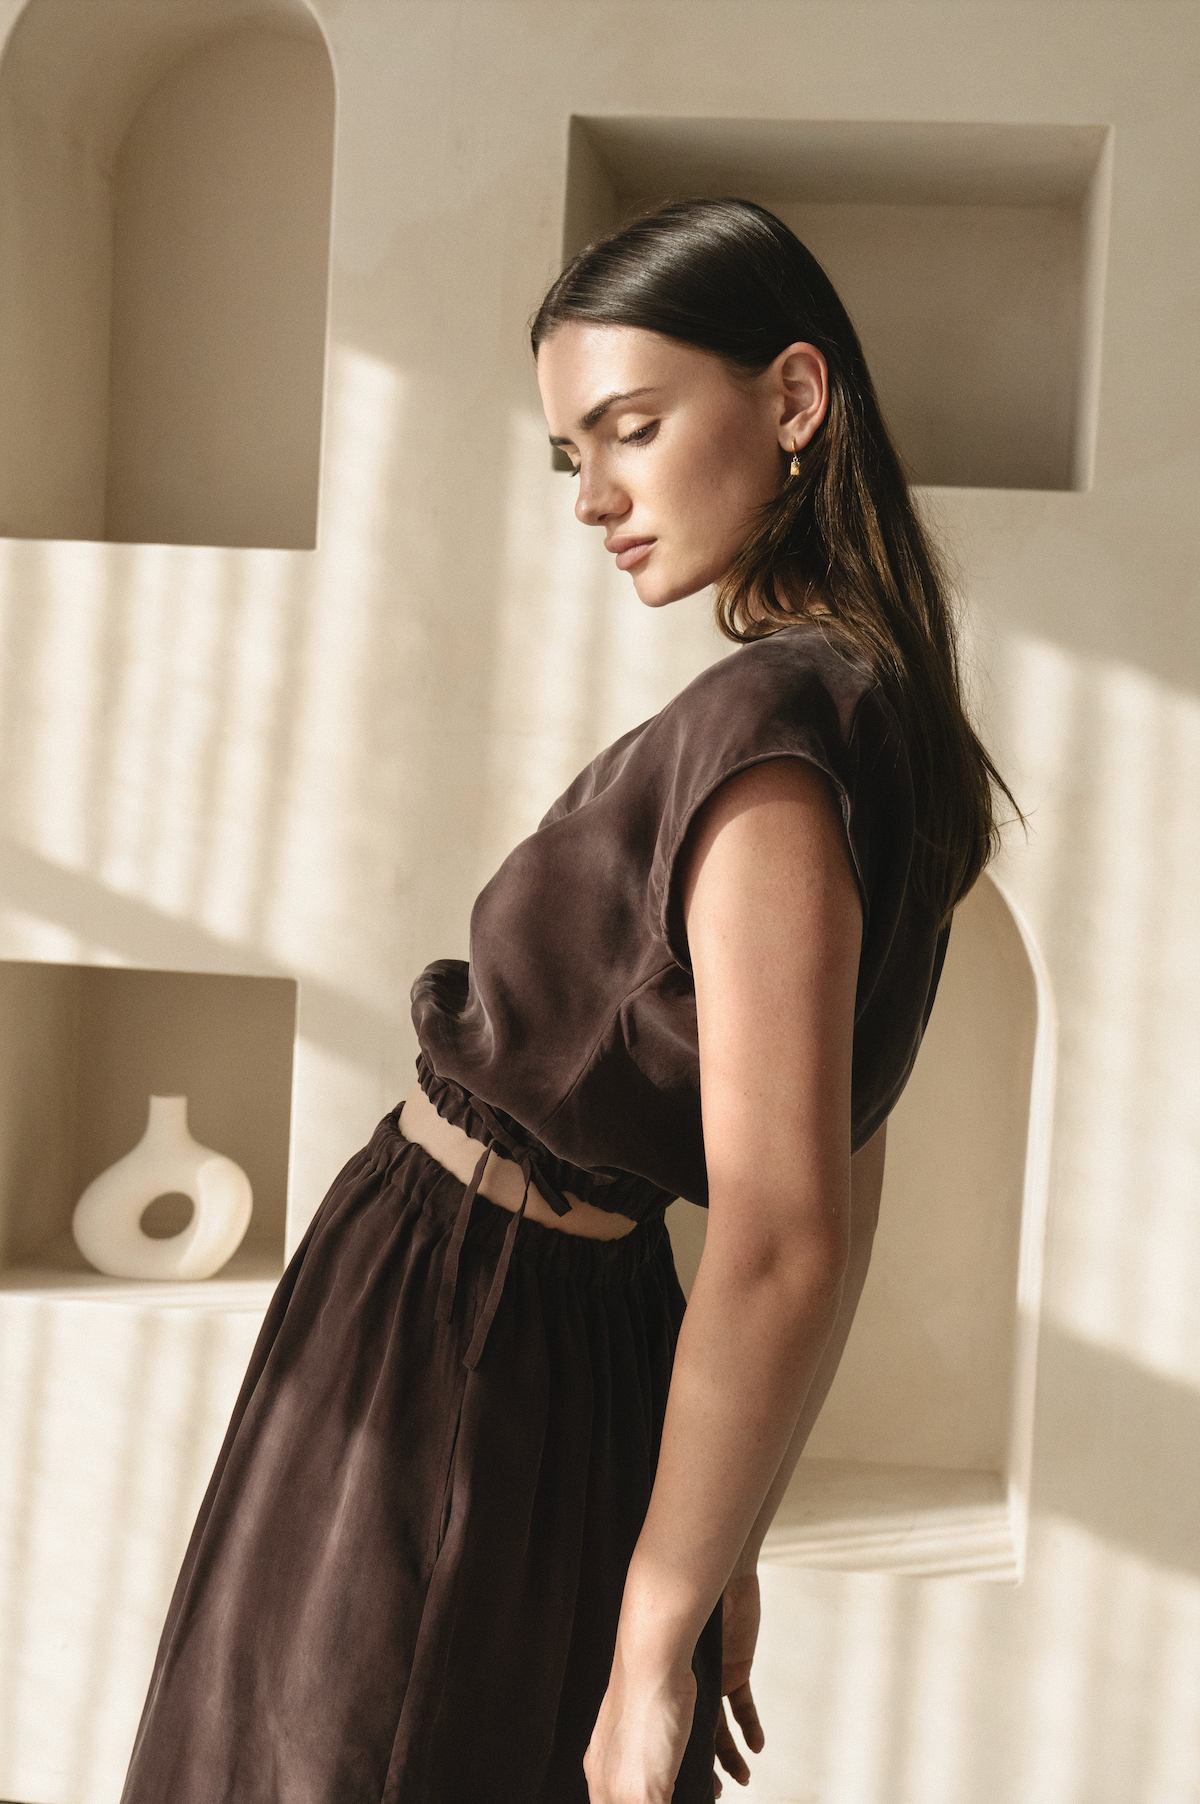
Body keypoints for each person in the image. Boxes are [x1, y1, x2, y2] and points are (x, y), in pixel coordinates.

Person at [119, 198, 1020, 1804]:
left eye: (632, 429)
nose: (594, 495)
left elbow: (787, 1240)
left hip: (459, 1326)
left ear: (794, 398)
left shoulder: (770, 738)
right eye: (571, 453)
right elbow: (834, 1210)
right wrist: (719, 1549)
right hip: (569, 1342)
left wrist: (664, 1625)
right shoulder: (890, 736)